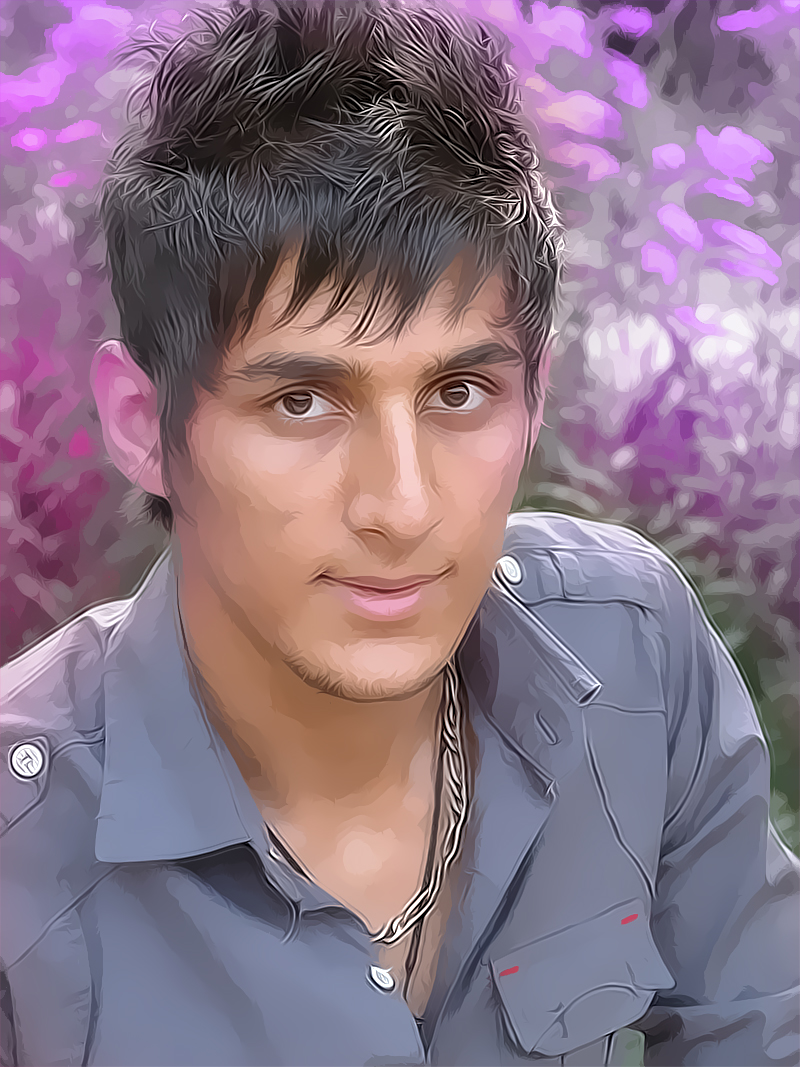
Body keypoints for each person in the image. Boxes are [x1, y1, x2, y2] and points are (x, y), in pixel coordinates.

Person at [1, 1, 797, 1064]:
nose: (405, 505)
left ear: (534, 396)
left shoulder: (633, 651)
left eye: (459, 392)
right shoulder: (21, 850)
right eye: (301, 402)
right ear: (145, 425)